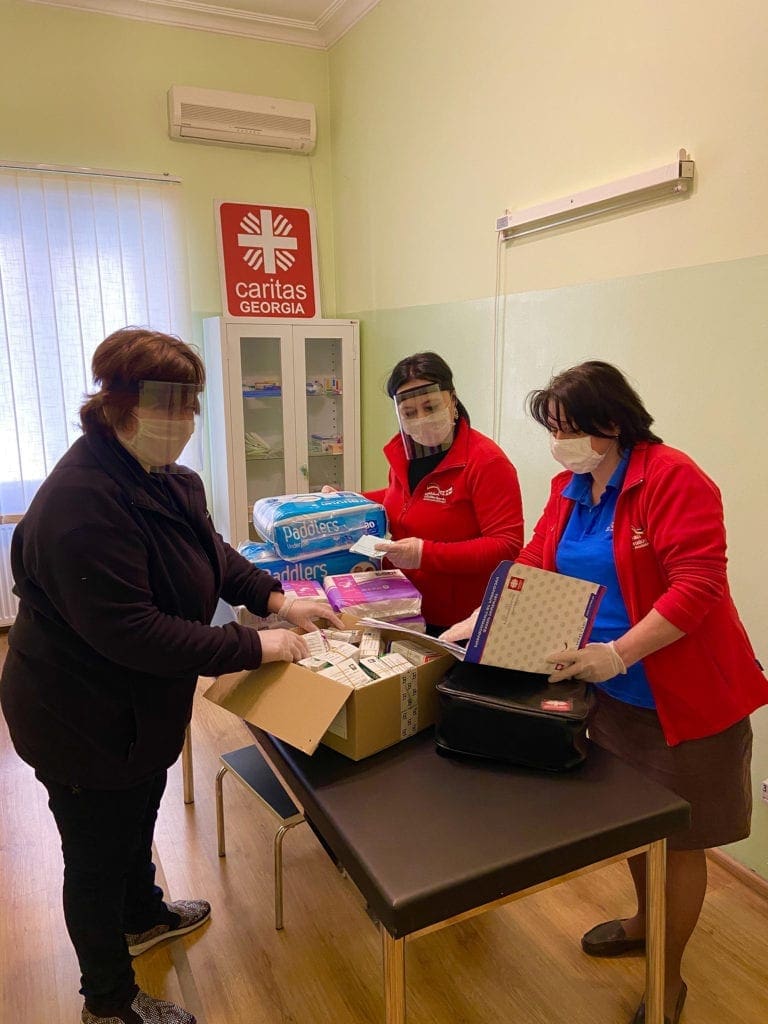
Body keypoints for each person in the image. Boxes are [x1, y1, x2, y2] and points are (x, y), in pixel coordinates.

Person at [0, 328, 341, 1024]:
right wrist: (256, 645)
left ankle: (143, 915)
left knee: (136, 812)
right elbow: (134, 632)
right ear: (118, 404)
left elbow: (212, 554)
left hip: (135, 709)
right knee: (94, 852)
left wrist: (278, 598)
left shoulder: (165, 478)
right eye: (167, 405)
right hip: (78, 715)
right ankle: (109, 1000)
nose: (182, 422)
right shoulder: (82, 503)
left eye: (191, 405)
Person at [445, 360, 767, 1024]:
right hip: (610, 697)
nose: (557, 443)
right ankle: (646, 924)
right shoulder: (571, 484)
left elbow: (697, 588)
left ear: (612, 423)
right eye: (552, 430)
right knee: (633, 826)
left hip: (684, 702)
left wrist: (615, 652)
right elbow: (535, 560)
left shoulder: (674, 479)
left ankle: (667, 980)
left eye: (567, 428)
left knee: (680, 840)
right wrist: (482, 617)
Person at [364, 352, 524, 634]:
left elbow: (506, 545)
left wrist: (425, 554)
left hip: (461, 620)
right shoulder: (404, 453)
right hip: (404, 606)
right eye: (409, 413)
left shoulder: (486, 461)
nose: (421, 420)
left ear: (452, 399)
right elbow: (400, 498)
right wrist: (345, 502)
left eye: (431, 406)